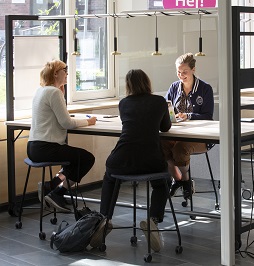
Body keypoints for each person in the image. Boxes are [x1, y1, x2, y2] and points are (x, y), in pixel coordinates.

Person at [93, 69, 172, 251]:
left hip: (121, 160)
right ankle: (153, 220)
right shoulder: (159, 101)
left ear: (128, 85)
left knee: (111, 178)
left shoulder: (124, 103)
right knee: (163, 182)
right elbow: (165, 128)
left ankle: (104, 219)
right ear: (148, 82)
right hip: (151, 161)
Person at [27, 60, 97, 213]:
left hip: (33, 147)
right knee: (86, 158)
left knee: (72, 157)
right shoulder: (54, 92)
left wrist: (62, 97)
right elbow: (67, 123)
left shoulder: (41, 91)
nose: (67, 74)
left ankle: (52, 185)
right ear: (56, 73)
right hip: (47, 148)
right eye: (65, 70)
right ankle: (57, 193)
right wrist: (89, 121)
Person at [162, 53, 214, 199]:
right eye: (178, 72)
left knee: (180, 149)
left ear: (193, 70)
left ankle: (184, 181)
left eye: (184, 72)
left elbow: (208, 116)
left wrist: (188, 116)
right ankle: (180, 180)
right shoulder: (174, 87)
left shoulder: (205, 89)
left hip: (201, 137)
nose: (181, 75)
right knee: (161, 146)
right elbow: (166, 108)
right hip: (177, 133)